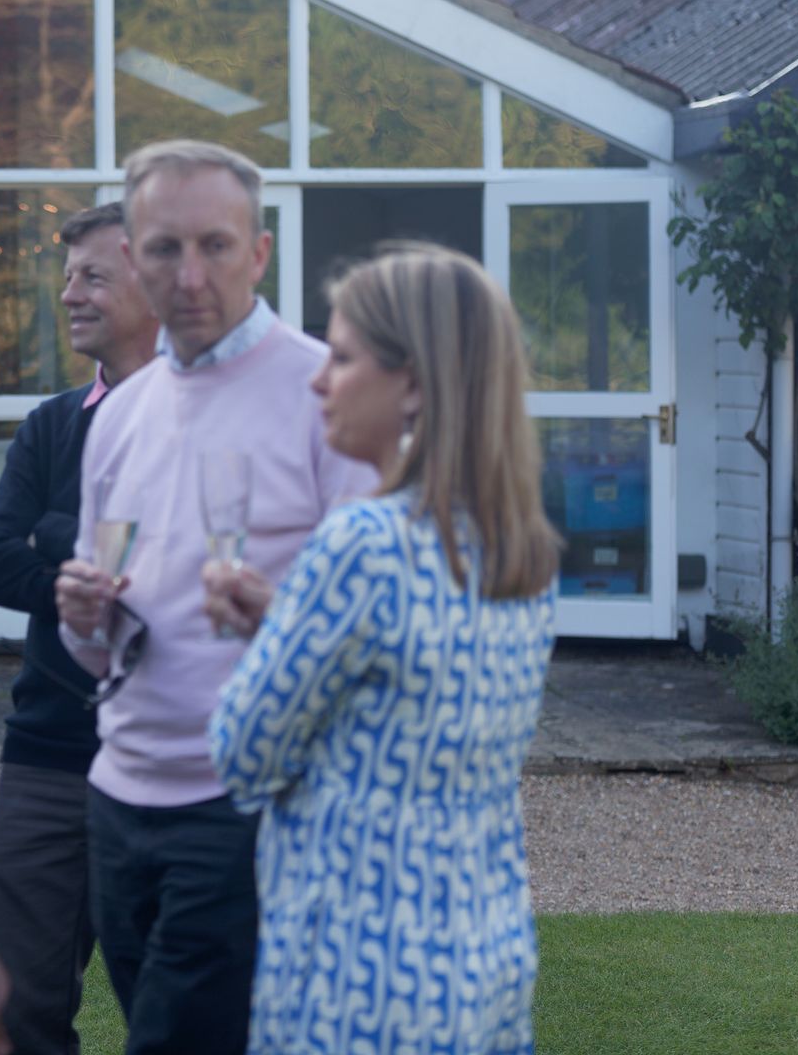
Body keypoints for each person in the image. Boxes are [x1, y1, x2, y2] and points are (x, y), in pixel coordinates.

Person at [53, 141, 376, 1055]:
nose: (189, 275)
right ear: (133, 259)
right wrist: (88, 615)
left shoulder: (326, 395)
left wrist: (280, 618)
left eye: (215, 246)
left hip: (252, 805)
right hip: (118, 795)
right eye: (163, 249)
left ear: (260, 254)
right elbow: (99, 640)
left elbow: (376, 627)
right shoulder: (119, 413)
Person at [206, 243, 560, 1055]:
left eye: (341, 356)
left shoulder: (362, 544)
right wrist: (288, 624)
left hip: (356, 978)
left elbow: (242, 752)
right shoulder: (520, 553)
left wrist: (268, 638)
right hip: (482, 958)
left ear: (416, 384)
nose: (318, 380)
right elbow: (406, 708)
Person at [0, 202, 159, 1055]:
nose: (68, 294)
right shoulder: (52, 424)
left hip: (171, 759)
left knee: (179, 1007)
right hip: (47, 752)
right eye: (67, 275)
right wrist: (78, 559)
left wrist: (56, 531)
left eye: (92, 277)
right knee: (12, 1010)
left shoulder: (201, 421)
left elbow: (177, 574)